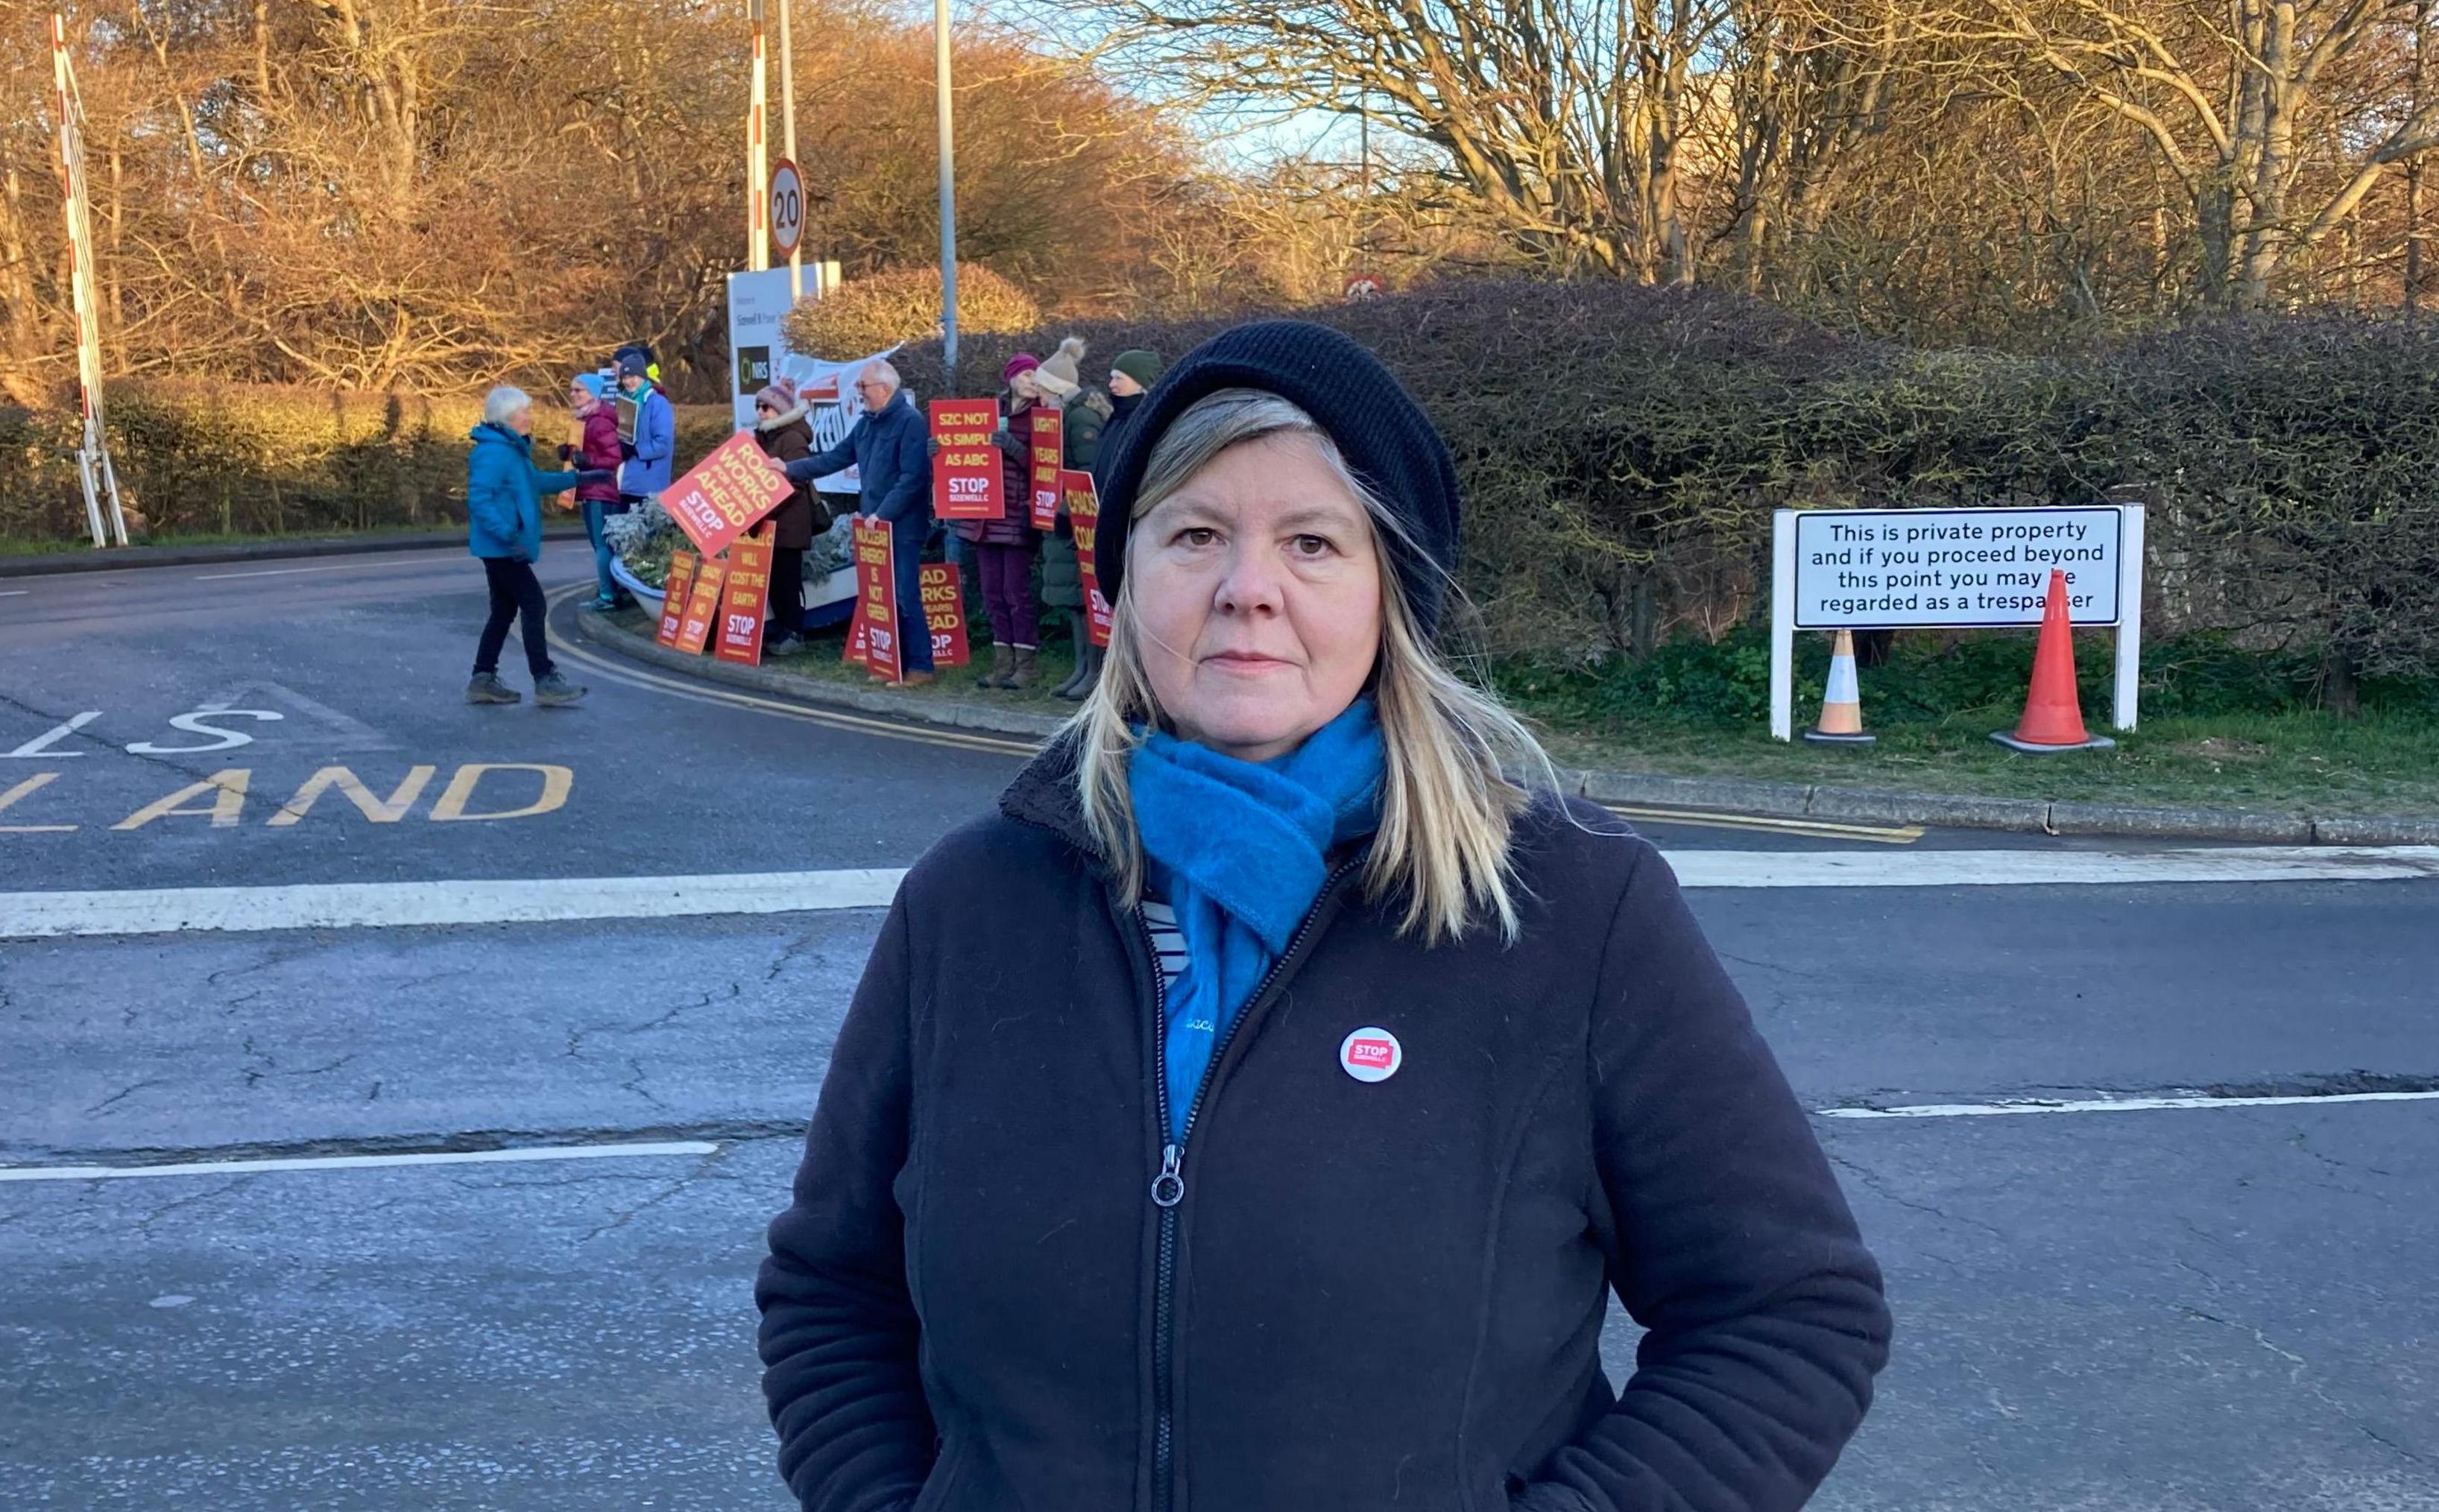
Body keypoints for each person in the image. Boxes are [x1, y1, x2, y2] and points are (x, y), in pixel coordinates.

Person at [757, 321, 1890, 1511]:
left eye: (1313, 542)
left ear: (1390, 589)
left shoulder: (1572, 911)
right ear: (1128, 576)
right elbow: (835, 1290)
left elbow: (1786, 1317)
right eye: (1195, 535)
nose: (1249, 588)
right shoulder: (971, 903)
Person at [782, 358, 933, 686]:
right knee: (884, 598)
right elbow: (833, 459)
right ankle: (894, 664)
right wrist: (787, 469)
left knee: (906, 595)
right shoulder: (866, 424)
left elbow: (913, 478)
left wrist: (883, 514)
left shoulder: (911, 422)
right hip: (875, 527)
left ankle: (921, 667)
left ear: (885, 389)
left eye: (863, 386)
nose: (859, 391)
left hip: (902, 528)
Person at [466, 384, 610, 707]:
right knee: (533, 604)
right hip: (503, 547)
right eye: (525, 411)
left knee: (503, 611)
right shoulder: (494, 452)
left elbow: (535, 482)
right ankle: (544, 679)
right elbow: (479, 500)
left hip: (504, 545)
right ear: (508, 417)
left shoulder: (510, 449)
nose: (530, 417)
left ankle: (482, 678)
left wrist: (580, 479)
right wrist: (509, 534)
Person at [960, 352, 1047, 689]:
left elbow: (1045, 469)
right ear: (1010, 378)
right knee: (992, 592)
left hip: (1018, 515)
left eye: (1036, 376)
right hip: (984, 515)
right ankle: (1003, 662)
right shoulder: (986, 414)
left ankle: (1027, 664)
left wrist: (1013, 448)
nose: (1032, 381)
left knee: (1016, 592)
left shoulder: (1041, 417)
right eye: (1026, 375)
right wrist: (941, 450)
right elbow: (962, 455)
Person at [1032, 336, 1109, 700]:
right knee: (1072, 601)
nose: (1040, 398)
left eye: (1045, 391)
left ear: (1059, 389)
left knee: (1084, 598)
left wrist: (1064, 511)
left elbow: (1087, 470)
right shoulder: (1065, 415)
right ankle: (1081, 668)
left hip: (1079, 521)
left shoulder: (1080, 418)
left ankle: (1093, 672)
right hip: (1066, 518)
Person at [753, 376, 824, 654]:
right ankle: (784, 631)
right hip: (771, 520)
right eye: (758, 406)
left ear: (780, 411)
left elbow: (796, 481)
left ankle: (794, 633)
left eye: (766, 407)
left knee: (788, 581)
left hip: (789, 521)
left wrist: (766, 506)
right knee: (775, 581)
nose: (760, 411)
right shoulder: (767, 436)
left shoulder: (793, 438)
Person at [567, 373, 628, 612]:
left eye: (578, 391)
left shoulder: (599, 421)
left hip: (601, 489)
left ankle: (609, 595)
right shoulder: (584, 419)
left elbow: (614, 458)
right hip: (590, 487)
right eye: (572, 390)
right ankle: (608, 591)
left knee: (602, 545)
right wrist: (568, 454)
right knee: (598, 544)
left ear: (592, 393)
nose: (573, 394)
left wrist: (587, 459)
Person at [614, 345, 675, 504]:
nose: (628, 381)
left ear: (642, 376)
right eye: (624, 377)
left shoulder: (658, 403)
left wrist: (635, 449)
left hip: (649, 485)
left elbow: (663, 444)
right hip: (625, 483)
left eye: (632, 376)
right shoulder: (623, 401)